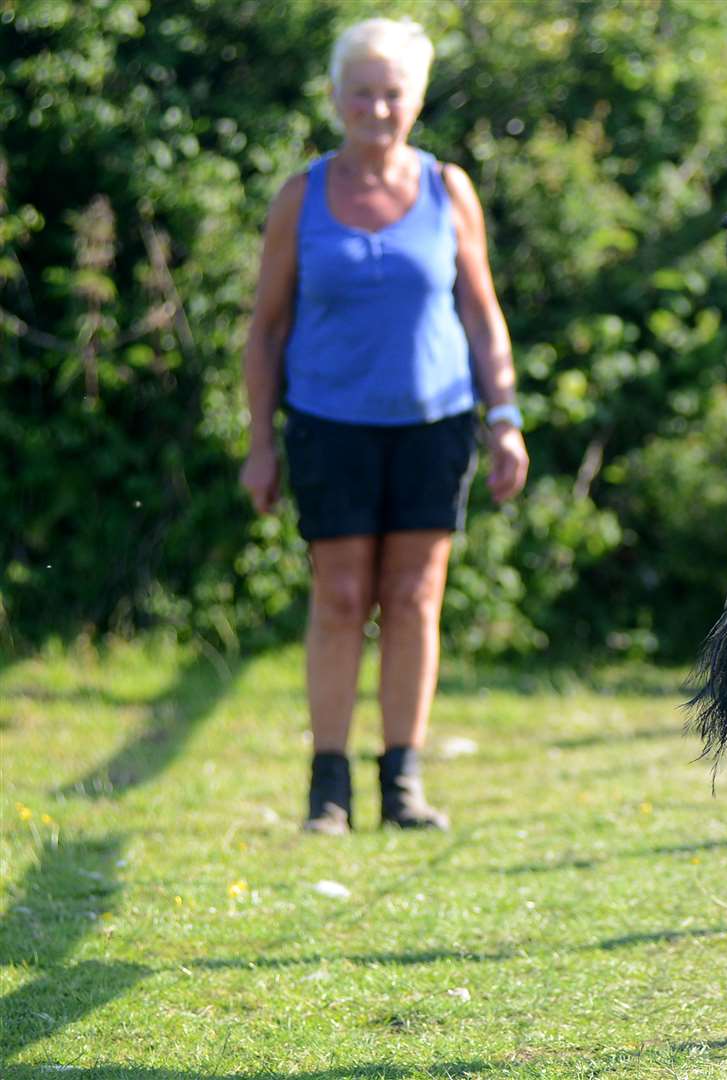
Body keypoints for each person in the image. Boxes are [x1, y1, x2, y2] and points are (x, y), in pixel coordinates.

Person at [239, 17, 528, 834]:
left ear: (416, 99)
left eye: (391, 92)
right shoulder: (303, 195)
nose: (376, 107)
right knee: (338, 596)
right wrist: (260, 444)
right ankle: (327, 788)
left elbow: (481, 315)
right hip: (328, 423)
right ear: (335, 99)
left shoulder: (448, 189)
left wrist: (503, 417)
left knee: (412, 596)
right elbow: (265, 330)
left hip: (434, 423)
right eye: (360, 92)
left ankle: (402, 780)